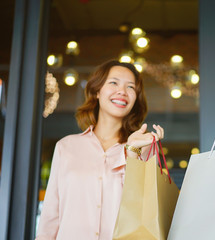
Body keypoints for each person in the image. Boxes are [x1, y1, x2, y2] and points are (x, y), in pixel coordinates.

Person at [36, 60, 164, 239]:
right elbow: (51, 217)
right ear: (97, 91)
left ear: (136, 99)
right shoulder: (66, 147)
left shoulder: (144, 148)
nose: (122, 91)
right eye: (114, 83)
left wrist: (131, 152)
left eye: (130, 87)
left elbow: (144, 209)